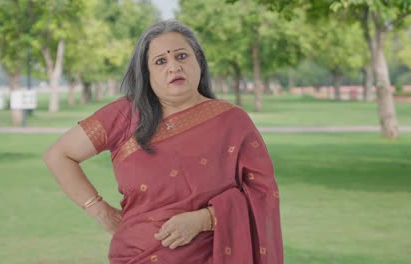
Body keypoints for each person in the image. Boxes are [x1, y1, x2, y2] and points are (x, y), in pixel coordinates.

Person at [44, 20, 283, 264]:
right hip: (135, 255)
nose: (174, 67)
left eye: (181, 56)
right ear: (147, 74)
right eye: (161, 61)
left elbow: (262, 194)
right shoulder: (124, 115)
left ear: (198, 61)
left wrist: (205, 219)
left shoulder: (232, 121)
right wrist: (100, 211)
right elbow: (59, 155)